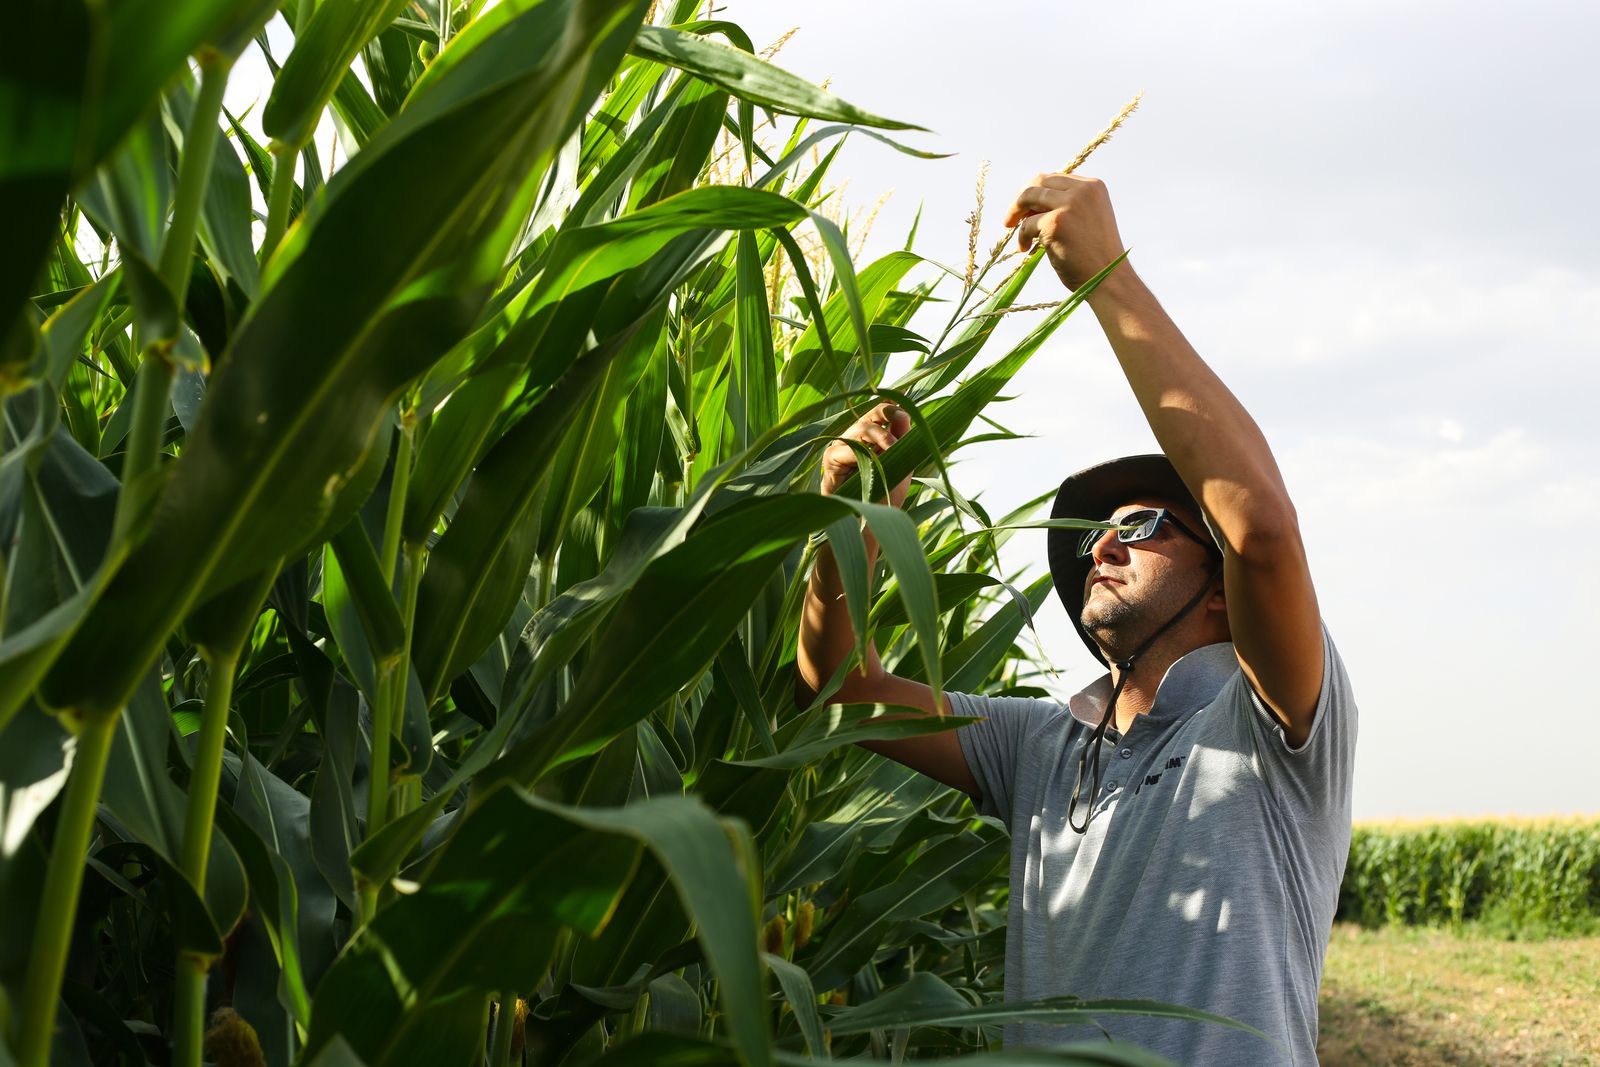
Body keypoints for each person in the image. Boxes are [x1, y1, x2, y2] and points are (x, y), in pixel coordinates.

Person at [796, 172, 1356, 1065]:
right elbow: (841, 684)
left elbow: (1262, 530)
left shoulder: (1269, 729)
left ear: (1220, 585)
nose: (1101, 547)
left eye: (1139, 527)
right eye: (1093, 535)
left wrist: (1108, 275)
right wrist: (850, 526)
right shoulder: (1041, 746)